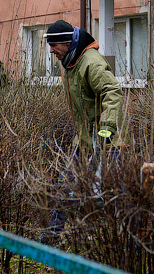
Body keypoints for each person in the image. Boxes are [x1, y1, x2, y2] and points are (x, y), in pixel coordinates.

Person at [41, 19, 126, 242]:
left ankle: (128, 241)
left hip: (106, 140)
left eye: (54, 45)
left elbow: (113, 92)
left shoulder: (90, 62)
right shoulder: (71, 62)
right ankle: (53, 235)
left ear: (68, 43)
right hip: (85, 140)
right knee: (65, 184)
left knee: (113, 193)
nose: (51, 51)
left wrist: (107, 129)